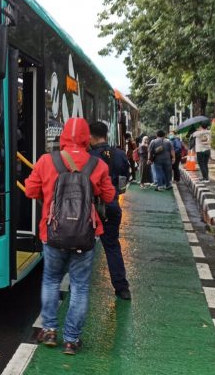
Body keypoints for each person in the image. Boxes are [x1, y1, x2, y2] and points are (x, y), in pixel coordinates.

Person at [24, 117, 116, 355]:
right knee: (80, 287)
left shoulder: (46, 161)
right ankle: (72, 340)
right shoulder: (98, 165)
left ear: (63, 136)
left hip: (52, 233)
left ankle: (50, 330)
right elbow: (108, 197)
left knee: (51, 280)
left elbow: (31, 191)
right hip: (85, 236)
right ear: (87, 138)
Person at [89, 122, 131, 300]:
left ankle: (81, 286)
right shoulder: (120, 154)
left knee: (83, 247)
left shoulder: (88, 157)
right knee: (112, 246)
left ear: (91, 136)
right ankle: (122, 288)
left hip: (89, 208)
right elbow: (126, 179)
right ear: (106, 135)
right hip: (112, 206)